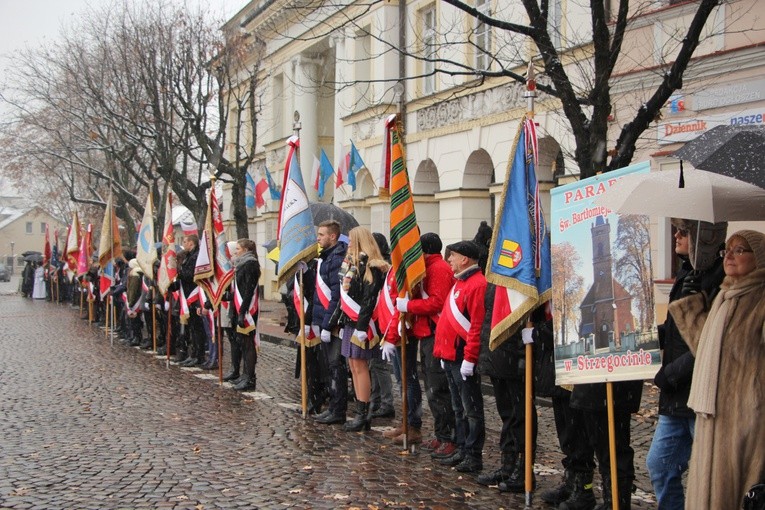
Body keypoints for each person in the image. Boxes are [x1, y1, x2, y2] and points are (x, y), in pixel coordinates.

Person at [668, 230, 765, 510]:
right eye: (728, 250)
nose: (730, 256)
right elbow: (707, 349)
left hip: (747, 419)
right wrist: (692, 308)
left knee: (741, 494)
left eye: (740, 250)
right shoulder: (724, 296)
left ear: (758, 257)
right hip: (714, 413)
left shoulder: (759, 299)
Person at [646, 219, 726, 510]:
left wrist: (671, 373)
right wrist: (647, 338)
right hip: (677, 397)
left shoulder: (719, 279)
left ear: (703, 237)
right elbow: (675, 327)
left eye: (684, 232)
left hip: (700, 393)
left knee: (709, 476)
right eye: (677, 230)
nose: (676, 236)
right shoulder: (687, 272)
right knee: (660, 465)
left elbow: (712, 341)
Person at [384, 232, 456, 449]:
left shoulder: (438, 269)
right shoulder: (429, 267)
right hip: (426, 332)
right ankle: (441, 435)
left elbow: (437, 303)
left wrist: (409, 307)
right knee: (433, 389)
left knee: (438, 389)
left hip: (435, 333)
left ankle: (447, 437)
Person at [433, 240, 487, 474]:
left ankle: (473, 454)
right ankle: (463, 448)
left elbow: (476, 325)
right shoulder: (460, 283)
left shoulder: (476, 285)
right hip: (451, 355)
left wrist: (470, 357)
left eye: (453, 256)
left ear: (465, 259)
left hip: (462, 356)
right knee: (458, 407)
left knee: (471, 409)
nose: (450, 260)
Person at [330, 227, 388, 431]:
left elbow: (369, 299)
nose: (350, 243)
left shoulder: (371, 266)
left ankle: (363, 414)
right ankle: (360, 411)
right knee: (353, 366)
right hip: (349, 321)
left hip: (361, 323)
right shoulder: (352, 265)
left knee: (360, 366)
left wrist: (362, 326)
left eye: (353, 240)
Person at [311, 220, 348, 425]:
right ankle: (333, 406)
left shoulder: (335, 259)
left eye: (322, 234)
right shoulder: (324, 257)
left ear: (333, 236)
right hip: (323, 318)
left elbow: (336, 294)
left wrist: (327, 325)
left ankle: (338, 409)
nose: (318, 238)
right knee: (329, 366)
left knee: (336, 366)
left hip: (332, 322)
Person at [229, 238, 261, 391]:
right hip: (239, 308)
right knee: (242, 343)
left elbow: (248, 291)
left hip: (247, 310)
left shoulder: (250, 264)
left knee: (248, 345)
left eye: (238, 249)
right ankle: (244, 375)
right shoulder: (241, 265)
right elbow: (238, 290)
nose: (236, 252)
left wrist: (242, 312)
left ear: (246, 250)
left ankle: (250, 378)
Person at [368, 232, 395, 421]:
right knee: (373, 364)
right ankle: (375, 400)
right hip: (373, 319)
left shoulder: (384, 267)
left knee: (379, 364)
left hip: (382, 319)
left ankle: (386, 403)